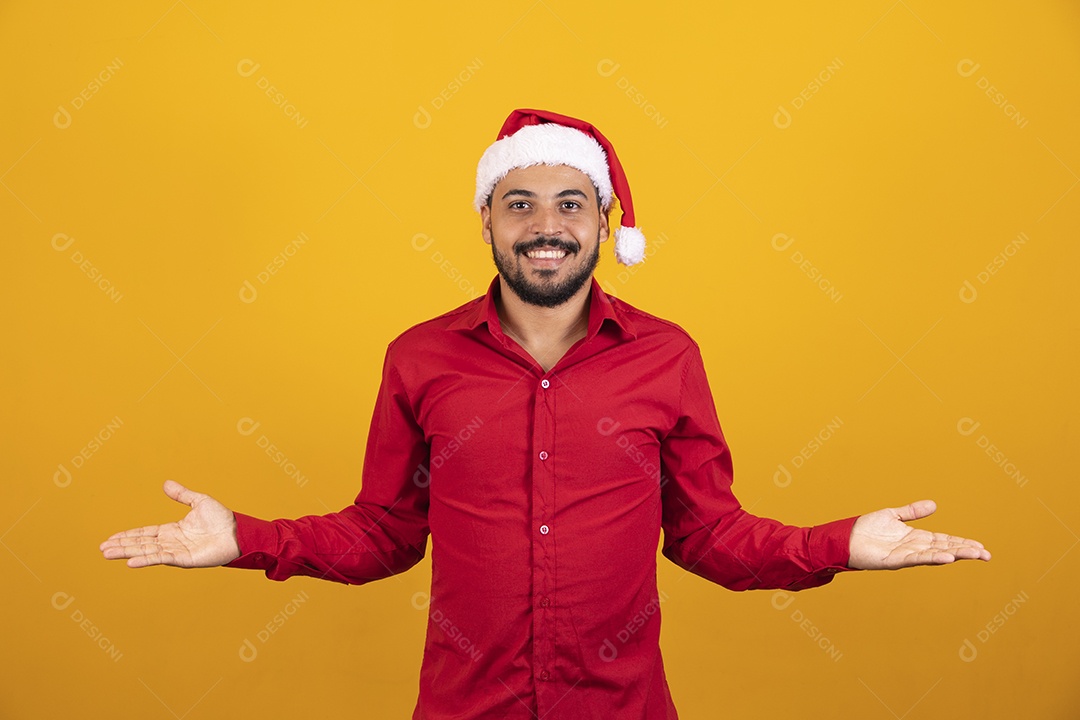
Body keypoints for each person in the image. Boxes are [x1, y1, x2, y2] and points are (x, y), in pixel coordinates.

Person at [100, 109, 991, 719]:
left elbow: (709, 536)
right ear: (485, 220)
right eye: (518, 204)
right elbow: (383, 533)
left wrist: (837, 545)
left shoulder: (666, 357)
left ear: (604, 221)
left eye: (571, 203)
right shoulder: (421, 358)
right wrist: (244, 538)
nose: (545, 225)